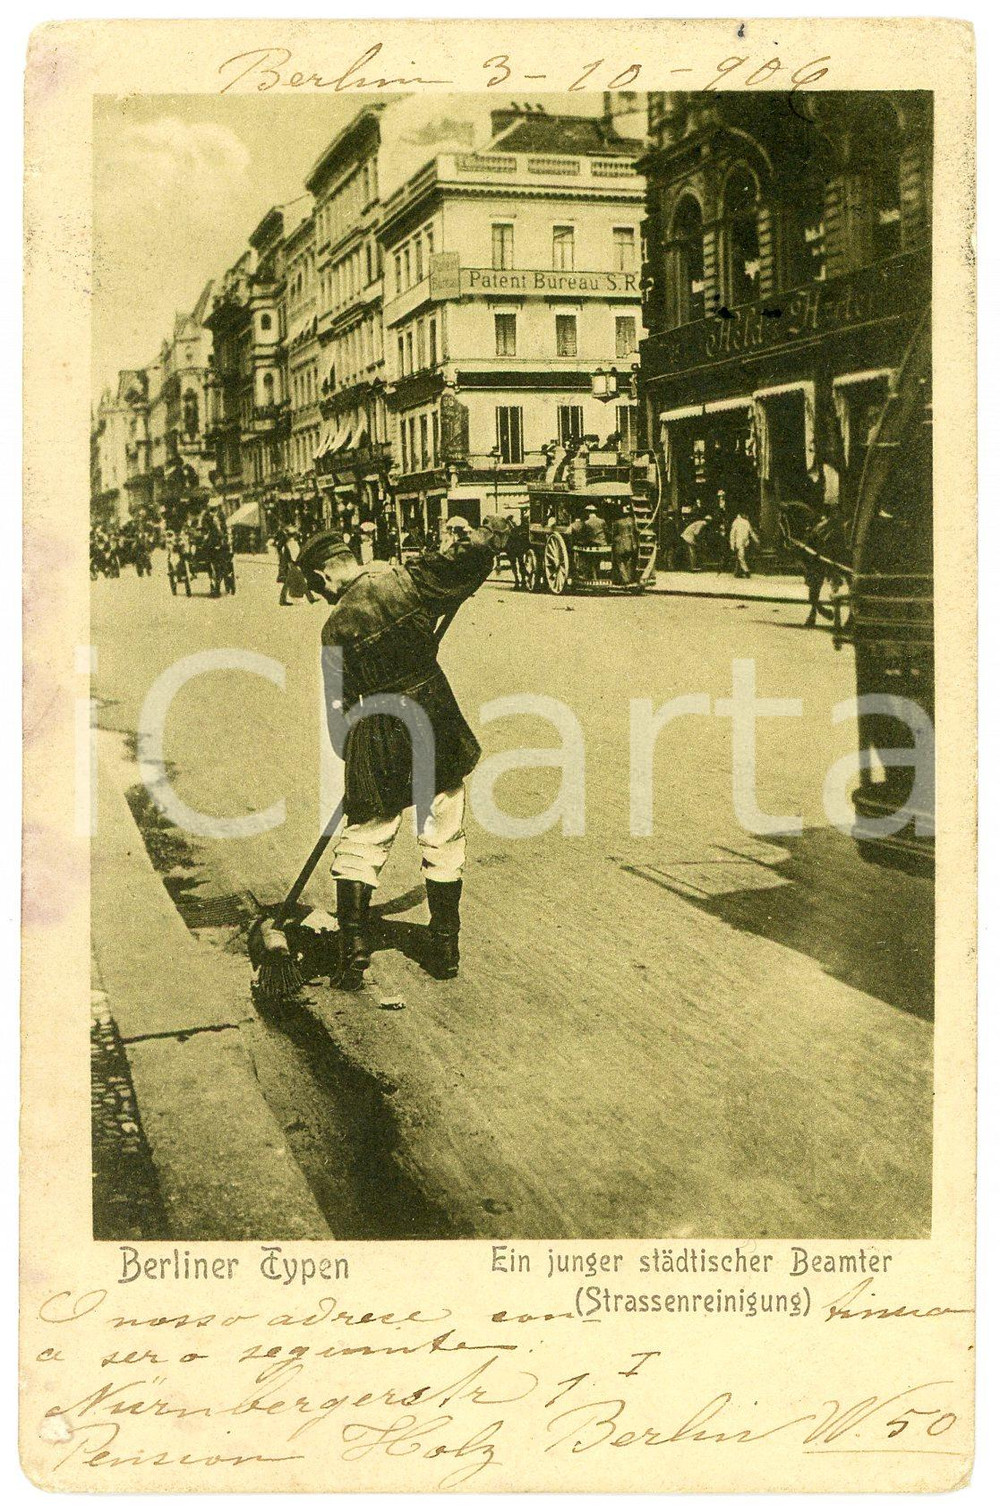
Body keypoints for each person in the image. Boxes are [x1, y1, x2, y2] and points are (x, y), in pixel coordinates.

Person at [290, 514, 511, 987]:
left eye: (316, 587)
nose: (320, 596)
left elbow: (338, 709)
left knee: (365, 836)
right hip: (432, 714)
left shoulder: (334, 629)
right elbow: (465, 563)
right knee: (443, 827)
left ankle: (353, 948)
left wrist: (358, 760)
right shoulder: (406, 582)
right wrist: (489, 534)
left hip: (376, 728)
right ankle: (445, 945)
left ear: (326, 574)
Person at [611, 502, 640, 586]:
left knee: (620, 562)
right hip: (630, 544)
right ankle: (630, 579)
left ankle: (625, 580)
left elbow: (613, 533)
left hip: (620, 544)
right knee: (629, 561)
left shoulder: (617, 522)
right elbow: (636, 531)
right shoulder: (632, 521)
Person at [728, 509, 759, 579]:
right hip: (744, 542)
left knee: (740, 557)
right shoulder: (745, 522)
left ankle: (740, 572)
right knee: (741, 557)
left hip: (739, 542)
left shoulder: (736, 522)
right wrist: (756, 540)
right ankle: (745, 571)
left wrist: (732, 544)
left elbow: (732, 534)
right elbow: (751, 532)